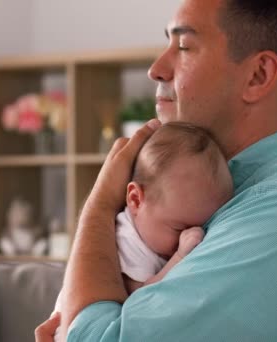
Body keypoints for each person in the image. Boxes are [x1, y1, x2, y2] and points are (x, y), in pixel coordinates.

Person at [37, 0, 277, 341]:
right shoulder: (218, 203)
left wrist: (99, 204)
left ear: (258, 75)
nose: (156, 68)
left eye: (184, 46)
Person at [51, 122, 234, 341]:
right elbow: (140, 301)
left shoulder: (154, 226)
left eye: (201, 227)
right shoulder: (127, 240)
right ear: (136, 199)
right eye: (180, 228)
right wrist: (179, 257)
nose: (190, 236)